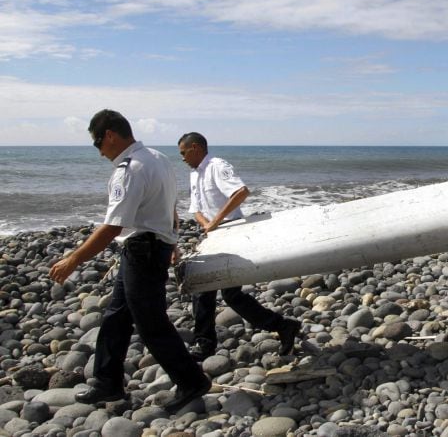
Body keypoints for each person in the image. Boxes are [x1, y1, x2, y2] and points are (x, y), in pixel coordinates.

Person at [50, 110, 210, 414]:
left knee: (151, 323)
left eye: (98, 143)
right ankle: (107, 381)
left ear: (110, 135)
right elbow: (169, 205)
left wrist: (73, 259)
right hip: (148, 247)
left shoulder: (130, 168)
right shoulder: (158, 159)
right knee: (116, 316)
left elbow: (112, 227)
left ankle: (191, 380)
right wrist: (171, 240)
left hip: (143, 250)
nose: (99, 152)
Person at [178, 132, 301, 361]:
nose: (182, 158)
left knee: (219, 291)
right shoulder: (195, 174)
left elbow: (240, 192)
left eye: (184, 153)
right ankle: (282, 326)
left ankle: (205, 344)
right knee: (219, 292)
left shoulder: (217, 166)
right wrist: (207, 224)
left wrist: (216, 221)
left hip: (231, 231)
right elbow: (195, 208)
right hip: (213, 235)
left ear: (195, 147)